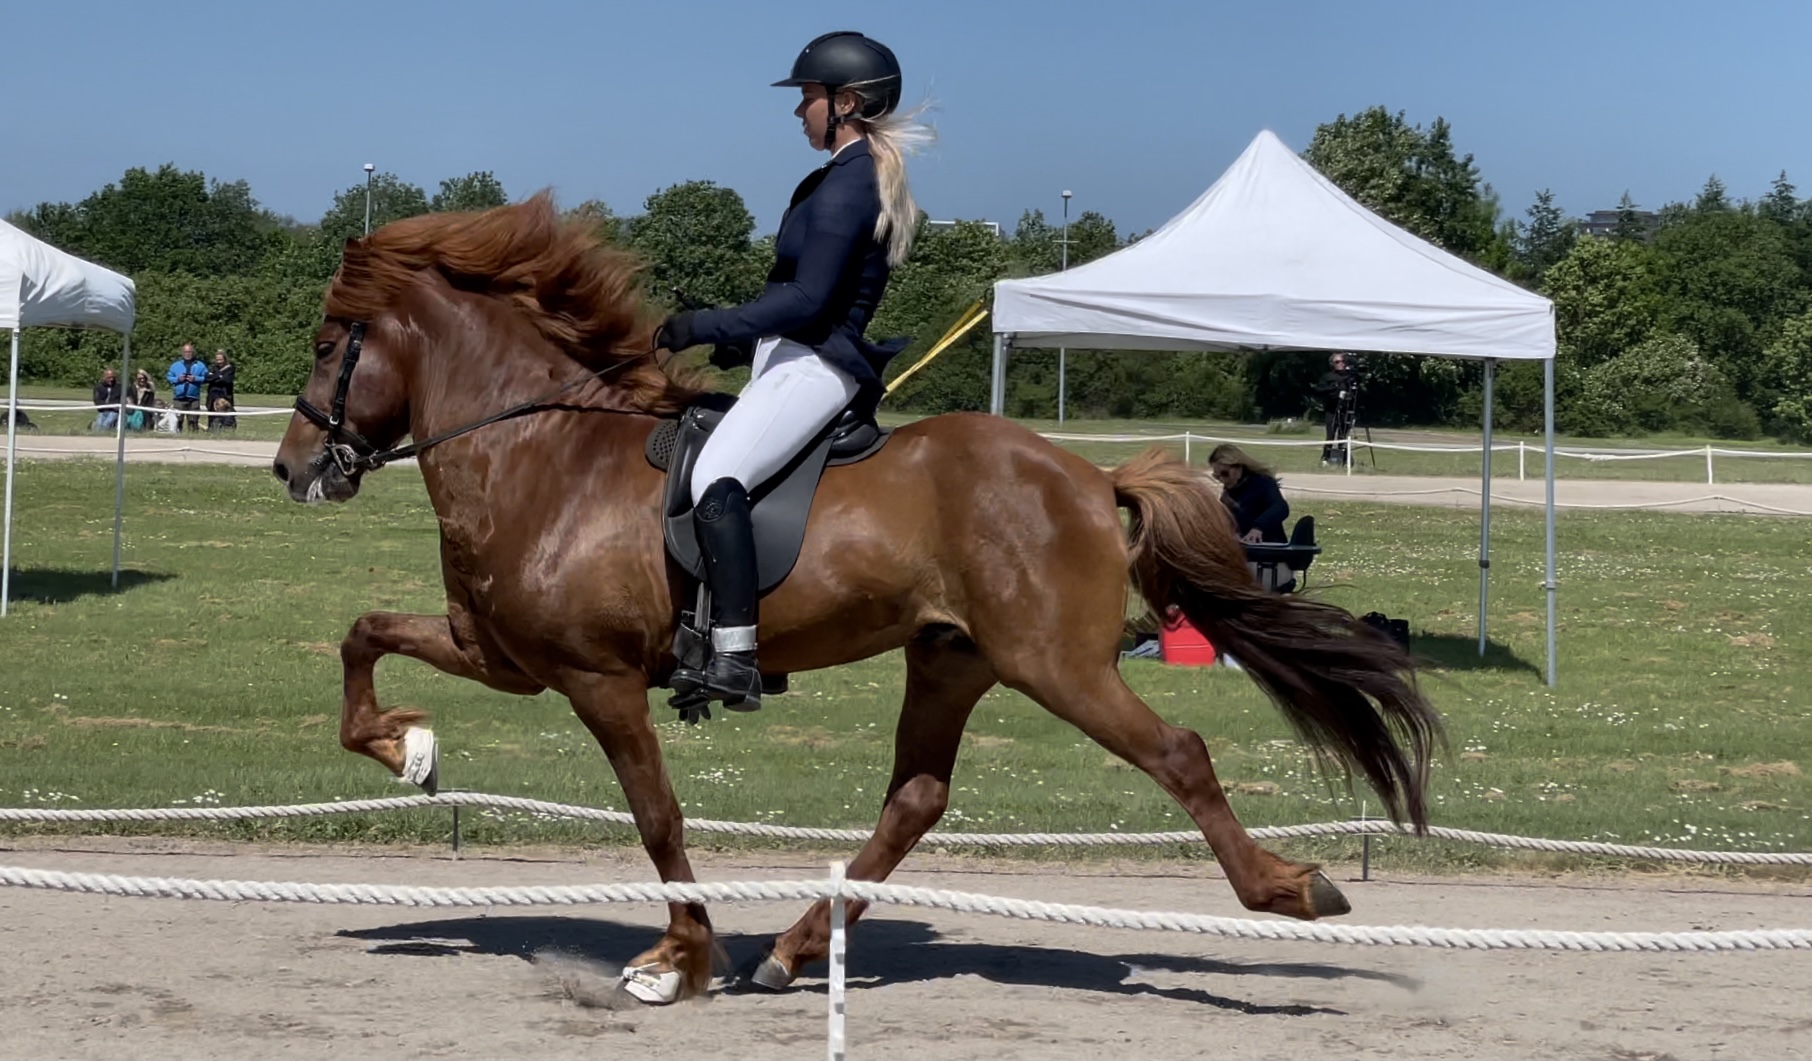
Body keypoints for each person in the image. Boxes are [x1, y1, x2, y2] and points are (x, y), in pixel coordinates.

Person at [652, 30, 928, 712]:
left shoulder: (851, 183)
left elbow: (806, 302)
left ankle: (738, 653)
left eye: (807, 97)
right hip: (788, 359)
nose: (798, 110)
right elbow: (798, 300)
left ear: (847, 102)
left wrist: (705, 325)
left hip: (816, 366)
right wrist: (740, 346)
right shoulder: (835, 178)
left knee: (719, 477)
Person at [1208, 444, 1289, 544]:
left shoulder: (1262, 483)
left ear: (1238, 468)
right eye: (1216, 476)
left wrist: (1258, 528)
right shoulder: (1229, 493)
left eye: (1225, 474)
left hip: (1269, 546)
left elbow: (1280, 507)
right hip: (1244, 548)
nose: (1221, 480)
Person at [1312, 352, 1357, 464]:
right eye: (1337, 362)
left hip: (1345, 411)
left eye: (1342, 361)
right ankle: (1326, 458)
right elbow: (1318, 390)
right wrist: (1333, 388)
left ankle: (1342, 459)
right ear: (1332, 364)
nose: (1341, 364)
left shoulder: (1349, 377)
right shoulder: (1328, 377)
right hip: (1331, 410)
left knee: (1343, 436)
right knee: (1331, 435)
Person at [166, 343, 208, 432]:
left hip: (194, 398)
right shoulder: (175, 365)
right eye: (185, 352)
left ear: (193, 353)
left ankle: (193, 437)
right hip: (179, 398)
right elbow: (169, 377)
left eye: (189, 352)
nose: (187, 354)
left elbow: (207, 378)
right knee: (178, 420)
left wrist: (195, 378)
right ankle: (177, 437)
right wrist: (178, 379)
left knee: (193, 420)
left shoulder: (200, 365)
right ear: (182, 353)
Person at [206, 349, 237, 431]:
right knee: (212, 415)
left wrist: (215, 377)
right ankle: (212, 430)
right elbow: (207, 379)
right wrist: (219, 376)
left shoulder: (230, 368)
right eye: (217, 360)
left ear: (225, 359)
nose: (219, 362)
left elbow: (227, 380)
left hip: (225, 395)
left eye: (221, 359)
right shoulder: (212, 368)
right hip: (212, 395)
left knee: (227, 414)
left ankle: (227, 429)